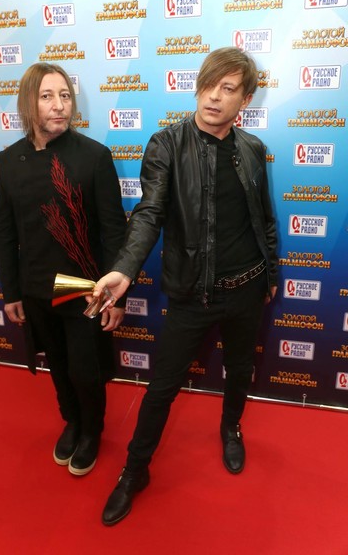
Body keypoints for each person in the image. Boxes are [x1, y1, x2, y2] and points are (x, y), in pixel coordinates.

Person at [91, 47, 278, 525]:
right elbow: (149, 213)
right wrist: (125, 269)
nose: (214, 97)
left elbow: (265, 220)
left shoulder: (253, 149)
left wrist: (271, 275)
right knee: (161, 389)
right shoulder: (166, 144)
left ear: (245, 100)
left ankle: (231, 429)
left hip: (248, 289)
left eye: (228, 89)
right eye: (208, 85)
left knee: (240, 369)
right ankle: (135, 470)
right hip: (193, 293)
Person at [0, 63, 127, 476]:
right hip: (35, 288)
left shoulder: (94, 156)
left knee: (86, 370)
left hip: (84, 287)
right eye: (47, 96)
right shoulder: (8, 160)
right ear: (28, 103)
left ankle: (92, 432)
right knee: (57, 364)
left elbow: (114, 232)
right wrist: (11, 292)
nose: (59, 105)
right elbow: (5, 231)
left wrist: (115, 295)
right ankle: (72, 422)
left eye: (65, 95)